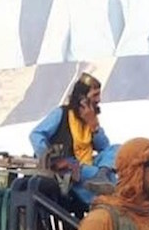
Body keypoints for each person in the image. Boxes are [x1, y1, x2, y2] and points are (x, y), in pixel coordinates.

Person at [29, 73, 118, 207]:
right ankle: (101, 181)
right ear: (82, 99)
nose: (98, 100)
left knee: (119, 149)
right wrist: (51, 159)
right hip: (71, 166)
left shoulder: (91, 118)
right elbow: (36, 135)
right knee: (110, 180)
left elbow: (104, 147)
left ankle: (101, 176)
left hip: (89, 163)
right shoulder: (62, 114)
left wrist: (94, 126)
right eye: (95, 95)